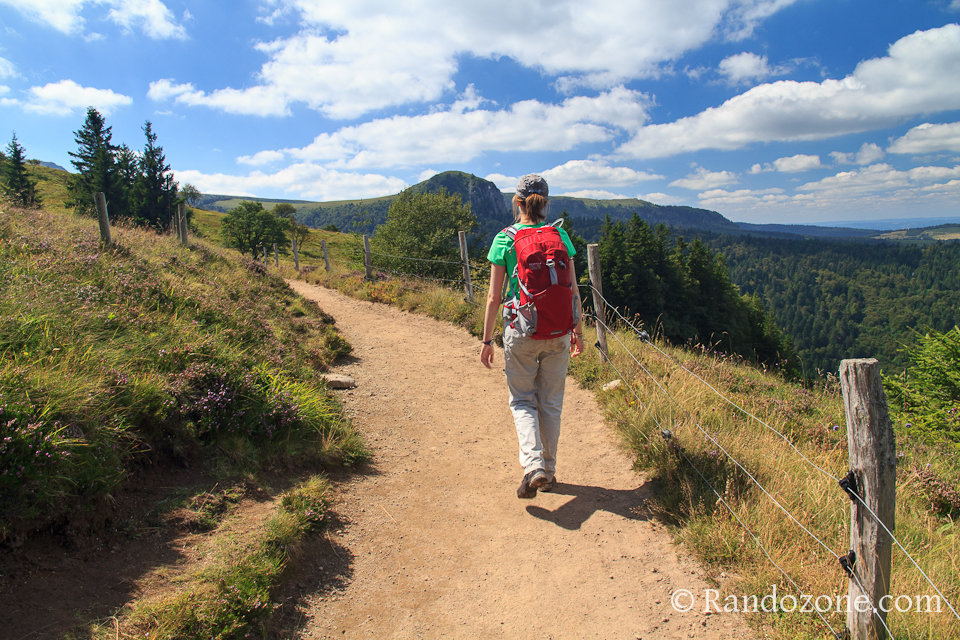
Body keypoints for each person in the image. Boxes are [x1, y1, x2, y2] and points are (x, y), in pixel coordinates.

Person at [480, 174, 584, 499]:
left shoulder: (505, 238)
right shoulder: (560, 235)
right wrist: (577, 330)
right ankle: (548, 472)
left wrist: (486, 341)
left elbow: (494, 298)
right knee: (551, 404)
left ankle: (533, 465)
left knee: (523, 400)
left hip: (521, 332)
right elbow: (574, 290)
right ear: (545, 202)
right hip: (557, 331)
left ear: (518, 202)